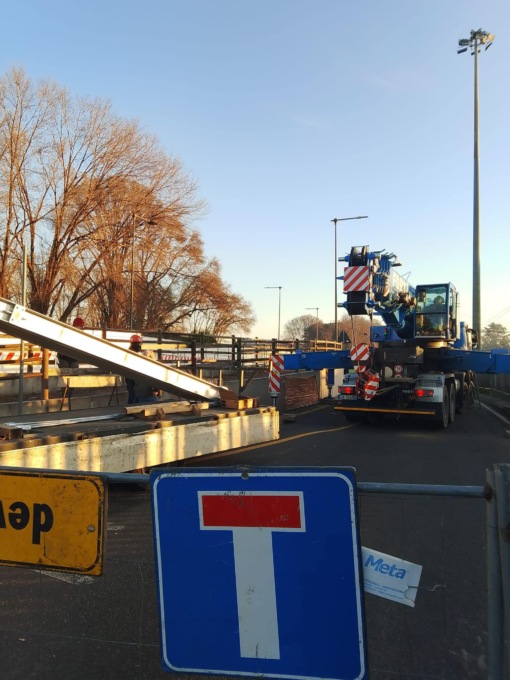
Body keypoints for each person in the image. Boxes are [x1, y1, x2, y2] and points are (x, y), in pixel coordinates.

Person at [126, 334, 161, 405]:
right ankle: (131, 406)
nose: (139, 346)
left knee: (133, 393)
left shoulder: (130, 352)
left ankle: (131, 406)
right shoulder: (134, 354)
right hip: (132, 376)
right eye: (138, 344)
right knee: (133, 393)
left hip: (131, 376)